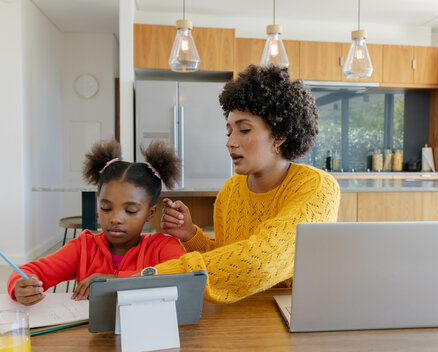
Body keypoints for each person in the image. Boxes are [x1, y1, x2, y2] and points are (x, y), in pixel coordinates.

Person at [152, 65, 341, 304]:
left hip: (294, 313)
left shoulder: (316, 187)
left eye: (244, 130)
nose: (230, 142)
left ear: (280, 136)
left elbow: (260, 262)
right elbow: (229, 266)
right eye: (229, 131)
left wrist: (157, 275)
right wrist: (191, 236)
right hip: (239, 310)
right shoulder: (230, 190)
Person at [8, 140, 186, 305]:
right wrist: (19, 286)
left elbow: (183, 278)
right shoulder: (83, 247)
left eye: (130, 211)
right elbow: (29, 271)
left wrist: (113, 282)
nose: (115, 219)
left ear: (150, 213)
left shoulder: (163, 247)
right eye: (106, 208)